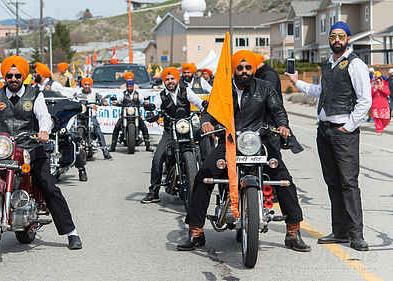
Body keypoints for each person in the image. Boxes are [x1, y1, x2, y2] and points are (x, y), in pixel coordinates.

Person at [177, 50, 311, 252]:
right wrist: (206, 123)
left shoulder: (265, 88)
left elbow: (277, 110)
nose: (244, 71)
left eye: (248, 67)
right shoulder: (222, 90)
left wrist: (282, 126)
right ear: (233, 70)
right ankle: (196, 232)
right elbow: (209, 112)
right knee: (203, 177)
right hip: (229, 142)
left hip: (259, 141)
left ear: (253, 68)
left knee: (284, 179)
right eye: (240, 68)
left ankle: (293, 232)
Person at [0, 56, 82, 250]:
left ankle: (71, 232)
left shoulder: (35, 95)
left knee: (48, 185)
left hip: (30, 146)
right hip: (3, 145)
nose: (13, 78)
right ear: (5, 76)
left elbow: (43, 115)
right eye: (10, 75)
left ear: (23, 76)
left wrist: (44, 131)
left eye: (17, 75)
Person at [286, 21, 371, 251]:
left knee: (348, 184)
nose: (336, 40)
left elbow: (365, 100)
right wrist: (297, 82)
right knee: (333, 182)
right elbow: (320, 92)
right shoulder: (327, 64)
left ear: (348, 39)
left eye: (340, 36)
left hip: (343, 131)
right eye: (333, 36)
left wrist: (349, 126)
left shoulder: (355, 65)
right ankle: (340, 231)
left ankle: (356, 234)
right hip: (324, 131)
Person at [141, 67, 205, 203]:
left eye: (172, 79)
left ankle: (206, 177)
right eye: (167, 79)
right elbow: (155, 105)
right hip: (170, 131)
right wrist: (152, 111)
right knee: (157, 158)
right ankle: (154, 192)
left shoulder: (186, 90)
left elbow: (198, 102)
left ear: (177, 79)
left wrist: (204, 107)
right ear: (164, 81)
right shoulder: (161, 96)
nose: (170, 81)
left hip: (186, 128)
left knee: (205, 138)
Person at [72, 77, 113, 160]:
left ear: (90, 85)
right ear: (82, 85)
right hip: (80, 115)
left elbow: (100, 99)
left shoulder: (94, 93)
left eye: (88, 84)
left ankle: (106, 153)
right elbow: (72, 99)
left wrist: (103, 101)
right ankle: (73, 154)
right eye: (85, 84)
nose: (87, 86)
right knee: (73, 131)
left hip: (91, 115)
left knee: (98, 131)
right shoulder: (78, 93)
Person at [110, 79, 153, 152]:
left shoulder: (138, 94)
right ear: (126, 87)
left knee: (144, 127)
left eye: (130, 86)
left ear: (133, 86)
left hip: (136, 114)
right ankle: (113, 146)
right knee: (116, 127)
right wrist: (115, 102)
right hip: (124, 114)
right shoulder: (123, 94)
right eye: (128, 86)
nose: (129, 88)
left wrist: (145, 103)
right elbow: (118, 101)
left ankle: (148, 146)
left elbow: (142, 101)